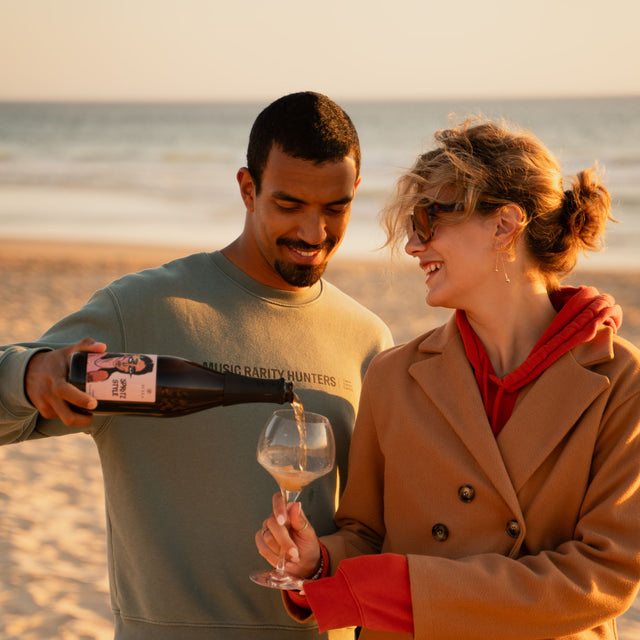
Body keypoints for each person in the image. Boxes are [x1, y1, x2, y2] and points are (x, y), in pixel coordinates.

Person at [0, 91, 393, 640]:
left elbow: (372, 531)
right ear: (248, 189)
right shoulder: (144, 310)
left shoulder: (368, 340)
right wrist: (29, 372)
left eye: (335, 209)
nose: (313, 233)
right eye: (289, 205)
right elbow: (10, 416)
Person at [256, 118, 640, 639]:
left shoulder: (620, 380)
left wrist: (403, 587)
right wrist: (318, 562)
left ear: (504, 225)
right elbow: (366, 536)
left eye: (428, 219)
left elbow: (603, 575)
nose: (414, 245)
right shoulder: (394, 375)